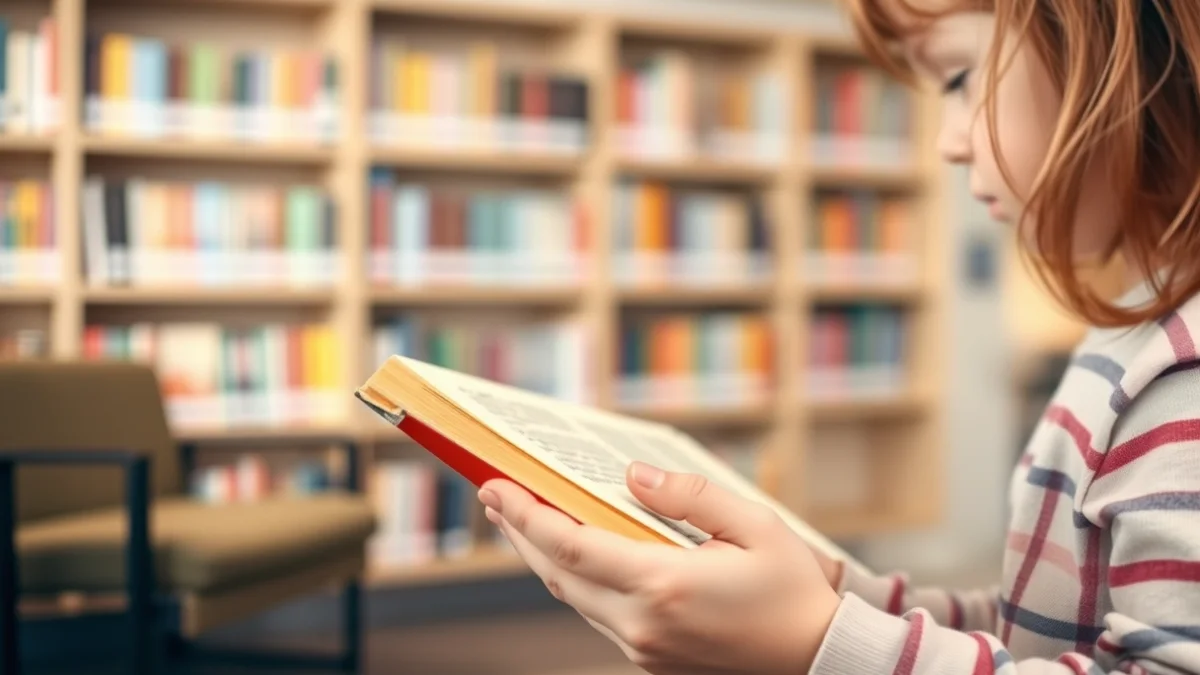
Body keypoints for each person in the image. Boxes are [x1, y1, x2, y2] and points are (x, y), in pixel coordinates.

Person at [476, 0, 1200, 672]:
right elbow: (1037, 628)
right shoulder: (1131, 336)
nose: (947, 143)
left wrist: (819, 642)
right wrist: (835, 595)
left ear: (1108, 40)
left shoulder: (1184, 374)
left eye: (957, 78)